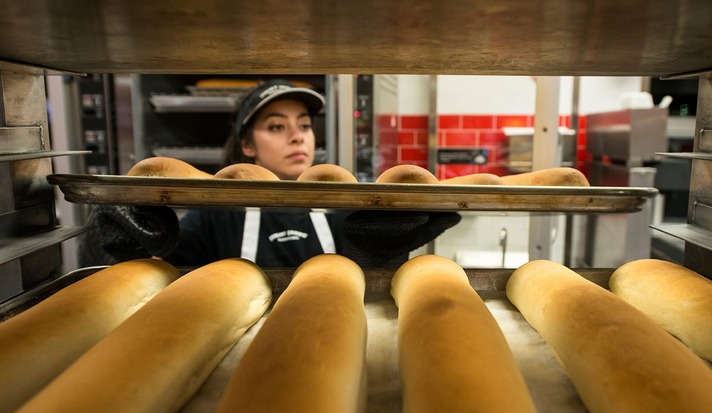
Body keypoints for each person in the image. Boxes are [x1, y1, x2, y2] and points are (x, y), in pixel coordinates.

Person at [78, 79, 459, 269]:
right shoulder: (214, 218)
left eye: (305, 125)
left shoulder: (347, 209)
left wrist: (380, 254)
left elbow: (370, 293)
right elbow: (132, 270)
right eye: (276, 127)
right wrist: (117, 233)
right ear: (247, 146)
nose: (297, 135)